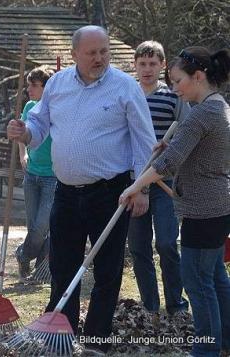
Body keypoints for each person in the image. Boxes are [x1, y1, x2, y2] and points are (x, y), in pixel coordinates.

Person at [7, 25, 157, 354]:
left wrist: (142, 188)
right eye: (92, 53)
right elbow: (40, 125)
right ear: (74, 54)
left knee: (107, 269)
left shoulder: (124, 87)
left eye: (104, 51)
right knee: (62, 265)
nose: (99, 58)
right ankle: (60, 333)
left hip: (111, 193)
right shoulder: (58, 84)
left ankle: (96, 341)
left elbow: (145, 141)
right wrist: (24, 131)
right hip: (66, 192)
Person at [120, 46, 230, 357]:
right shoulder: (219, 106)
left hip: (203, 211)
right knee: (215, 277)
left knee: (197, 283)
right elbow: (197, 152)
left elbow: (167, 163)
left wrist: (134, 188)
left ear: (198, 77)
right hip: (217, 207)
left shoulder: (201, 113)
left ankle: (205, 350)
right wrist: (171, 143)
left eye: (179, 80)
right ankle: (224, 342)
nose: (176, 87)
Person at [128, 40, 189, 316]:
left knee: (166, 243)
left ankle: (175, 304)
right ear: (135, 66)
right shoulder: (128, 96)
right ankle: (150, 305)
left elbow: (187, 134)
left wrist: (170, 148)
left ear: (162, 65)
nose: (148, 69)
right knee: (139, 247)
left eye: (153, 64)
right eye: (142, 64)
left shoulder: (173, 97)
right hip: (135, 182)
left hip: (165, 183)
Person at [15, 65, 56, 283]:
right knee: (34, 226)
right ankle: (41, 272)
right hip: (31, 174)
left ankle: (22, 254)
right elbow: (23, 134)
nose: (29, 89)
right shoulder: (30, 106)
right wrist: (23, 155)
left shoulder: (57, 109)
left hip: (53, 176)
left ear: (46, 88)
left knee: (42, 226)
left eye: (34, 85)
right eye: (28, 84)